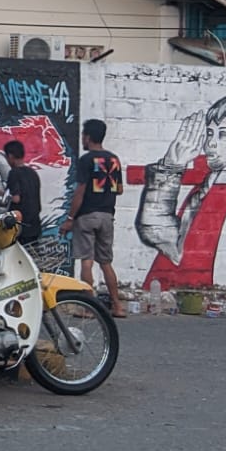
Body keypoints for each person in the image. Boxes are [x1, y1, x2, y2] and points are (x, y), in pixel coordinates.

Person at [136, 95, 226, 290]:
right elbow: (165, 240)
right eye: (210, 133)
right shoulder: (206, 190)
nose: (210, 143)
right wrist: (171, 167)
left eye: (223, 134)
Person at [61, 118, 124, 316]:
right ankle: (117, 306)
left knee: (86, 261)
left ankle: (87, 307)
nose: (82, 139)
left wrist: (70, 218)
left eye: (83, 135)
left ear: (87, 137)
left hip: (87, 216)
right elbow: (119, 189)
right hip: (107, 215)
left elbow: (80, 190)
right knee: (106, 262)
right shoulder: (114, 159)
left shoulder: (86, 160)